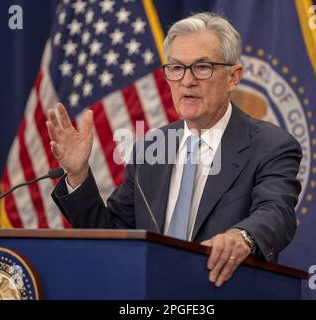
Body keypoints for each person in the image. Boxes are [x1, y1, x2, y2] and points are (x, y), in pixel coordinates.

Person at [46, 12, 302, 288]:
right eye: (176, 68)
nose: (187, 81)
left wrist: (241, 237)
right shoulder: (150, 149)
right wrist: (78, 175)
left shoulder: (271, 145)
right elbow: (114, 235)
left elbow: (277, 212)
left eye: (202, 67)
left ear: (233, 77)